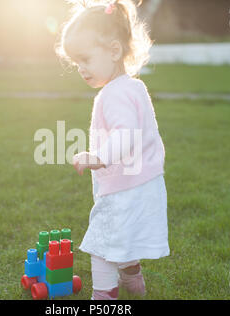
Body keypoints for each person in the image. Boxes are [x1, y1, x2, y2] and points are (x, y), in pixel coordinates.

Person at [55, 0, 169, 300]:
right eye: (75, 62)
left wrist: (99, 157)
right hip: (143, 184)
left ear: (114, 51)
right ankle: (134, 282)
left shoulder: (114, 94)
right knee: (122, 238)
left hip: (125, 189)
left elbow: (127, 134)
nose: (80, 68)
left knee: (102, 242)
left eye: (85, 59)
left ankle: (103, 297)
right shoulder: (133, 87)